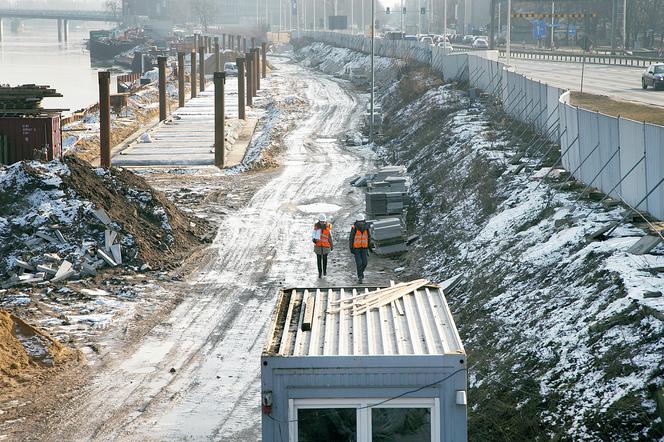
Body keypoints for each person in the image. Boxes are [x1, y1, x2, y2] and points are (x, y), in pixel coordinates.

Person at [349, 214, 370, 284]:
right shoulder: (354, 228)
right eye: (359, 222)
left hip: (364, 248)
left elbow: (368, 237)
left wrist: (369, 247)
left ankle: (361, 273)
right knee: (359, 263)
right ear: (357, 222)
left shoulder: (367, 228)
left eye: (362, 222)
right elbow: (351, 239)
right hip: (356, 249)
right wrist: (351, 248)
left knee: (365, 263)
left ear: (364, 221)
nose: (361, 223)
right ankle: (360, 276)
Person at [312, 214, 333, 278]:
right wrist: (314, 240)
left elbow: (330, 238)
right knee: (319, 260)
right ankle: (320, 272)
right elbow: (313, 235)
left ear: (325, 221)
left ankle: (324, 271)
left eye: (323, 221)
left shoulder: (327, 228)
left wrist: (331, 246)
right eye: (321, 221)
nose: (322, 223)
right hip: (318, 246)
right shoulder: (316, 227)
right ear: (319, 221)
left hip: (325, 247)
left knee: (324, 260)